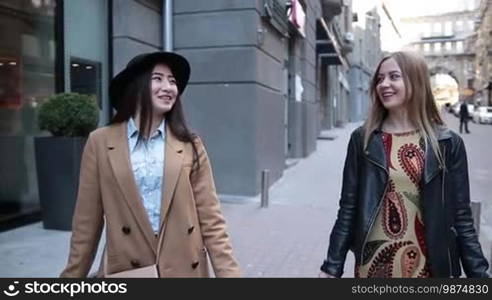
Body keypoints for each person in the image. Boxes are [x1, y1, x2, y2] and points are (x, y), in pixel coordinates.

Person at [60, 52, 241, 277]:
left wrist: (231, 276)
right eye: (158, 78)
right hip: (128, 270)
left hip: (184, 268)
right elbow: (86, 224)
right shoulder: (100, 142)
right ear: (137, 86)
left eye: (172, 81)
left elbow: (212, 219)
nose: (168, 87)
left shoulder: (190, 144)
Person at [319, 51, 489, 278]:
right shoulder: (364, 139)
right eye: (380, 79)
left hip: (430, 268)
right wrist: (332, 266)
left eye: (393, 77)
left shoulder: (447, 143)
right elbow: (348, 208)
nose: (384, 84)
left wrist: (479, 274)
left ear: (415, 81)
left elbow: (461, 216)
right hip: (374, 266)